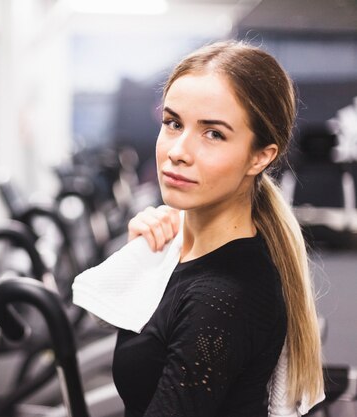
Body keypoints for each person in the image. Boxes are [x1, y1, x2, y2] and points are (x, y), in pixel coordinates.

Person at [113, 41, 324, 416]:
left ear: (260, 156)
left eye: (213, 134)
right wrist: (141, 266)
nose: (178, 150)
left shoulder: (222, 298)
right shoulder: (179, 248)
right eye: (173, 123)